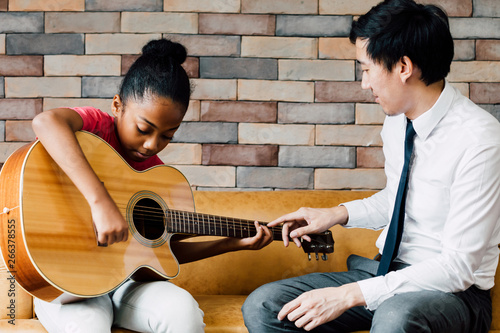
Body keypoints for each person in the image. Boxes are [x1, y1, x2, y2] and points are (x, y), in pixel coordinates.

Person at [242, 0, 500, 332]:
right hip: (385, 272)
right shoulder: (396, 123)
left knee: (396, 317)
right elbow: (399, 199)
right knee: (267, 305)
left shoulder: (479, 140)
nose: (364, 83)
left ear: (403, 67)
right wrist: (335, 214)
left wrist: (349, 295)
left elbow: (458, 267)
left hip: (455, 293)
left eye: (366, 68)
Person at [31, 38, 273, 333]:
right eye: (144, 129)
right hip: (69, 282)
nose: (151, 145)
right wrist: (100, 202)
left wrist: (230, 244)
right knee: (88, 327)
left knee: (184, 315)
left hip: (126, 285)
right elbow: (46, 122)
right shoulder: (95, 127)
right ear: (118, 105)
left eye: (167, 136)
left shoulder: (158, 176)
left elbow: (160, 255)